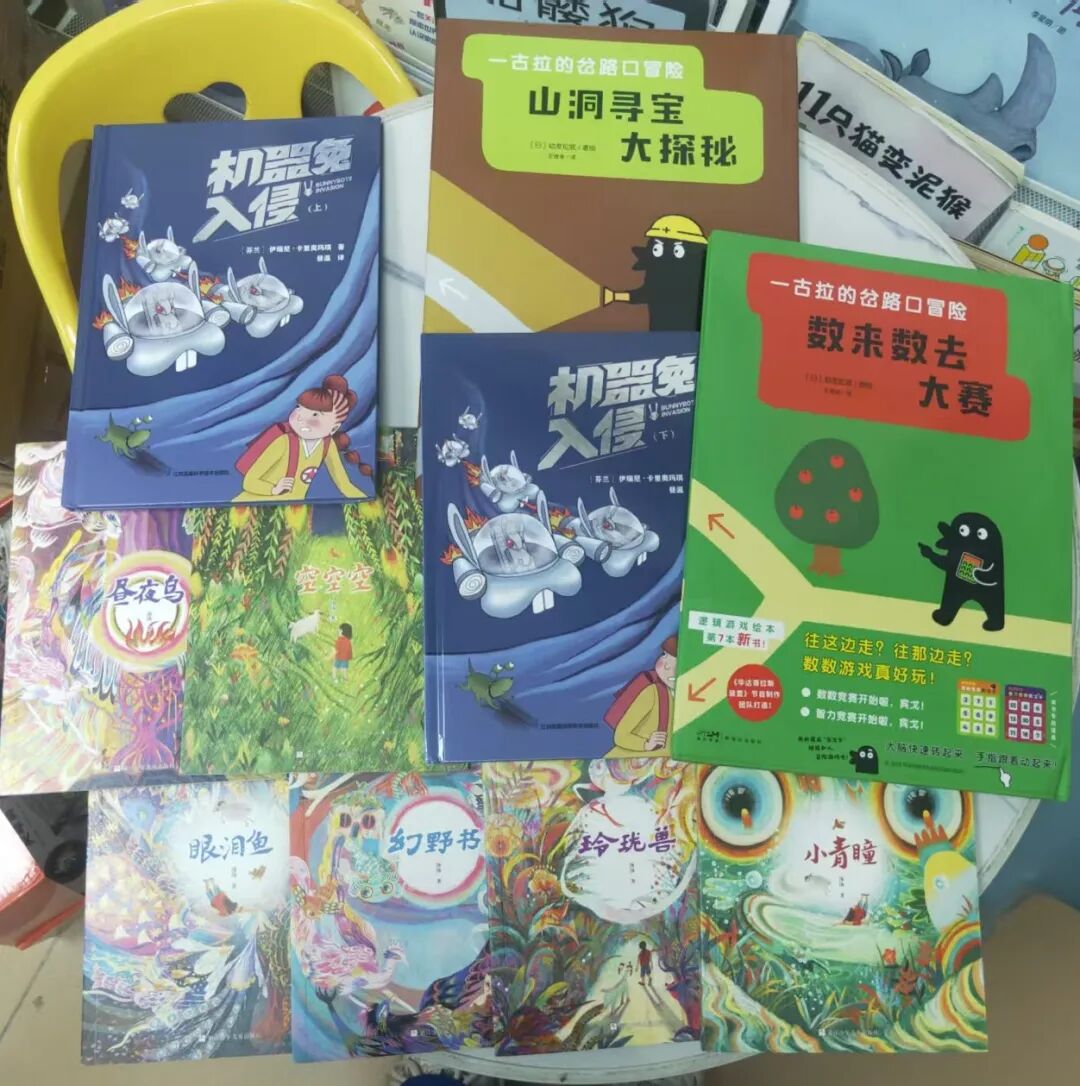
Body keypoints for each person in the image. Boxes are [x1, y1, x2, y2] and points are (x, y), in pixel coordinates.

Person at [234, 374, 372, 501]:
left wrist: (369, 501)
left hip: (293, 507)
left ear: (334, 428)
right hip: (253, 505)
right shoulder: (283, 443)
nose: (301, 418)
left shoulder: (326, 445)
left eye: (315, 415)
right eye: (300, 408)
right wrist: (273, 489)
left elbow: (344, 484)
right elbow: (249, 482)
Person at [603, 635, 678, 758]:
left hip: (666, 760)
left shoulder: (687, 698)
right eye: (664, 655)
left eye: (679, 662)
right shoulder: (652, 693)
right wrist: (646, 744)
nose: (667, 666)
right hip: (628, 759)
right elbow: (621, 736)